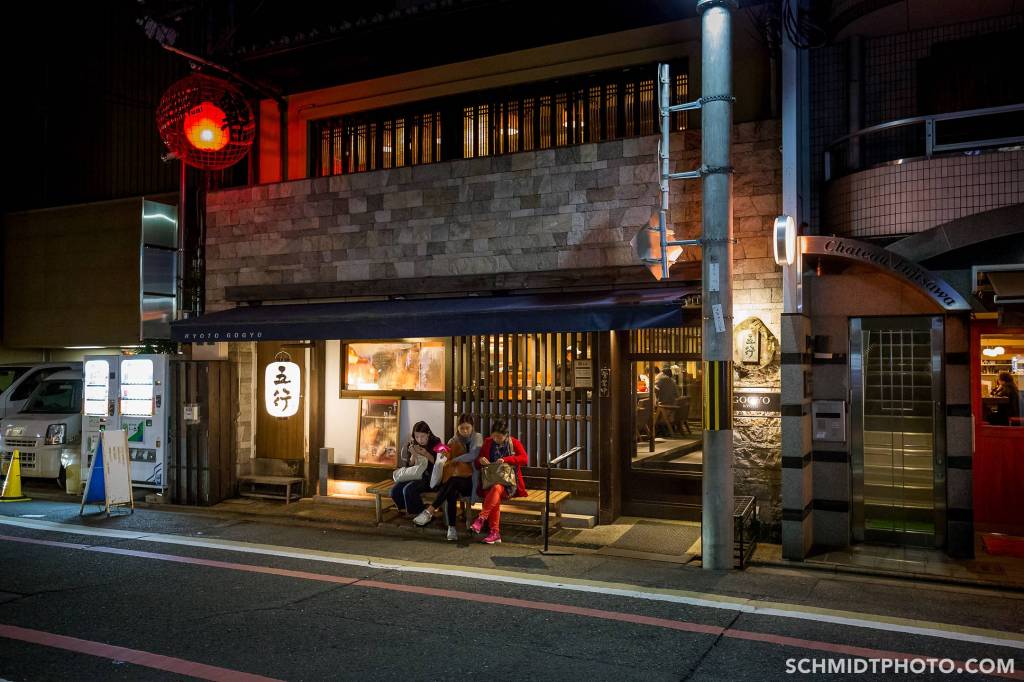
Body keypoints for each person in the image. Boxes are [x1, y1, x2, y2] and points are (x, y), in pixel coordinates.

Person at [413, 414, 483, 541]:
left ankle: (430, 511)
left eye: (468, 428)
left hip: (473, 482)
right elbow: (446, 459)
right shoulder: (453, 440)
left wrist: (456, 459)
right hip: (456, 479)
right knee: (452, 489)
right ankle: (451, 528)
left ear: (473, 427)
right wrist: (444, 455)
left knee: (452, 483)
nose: (465, 431)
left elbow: (473, 455)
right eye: (462, 428)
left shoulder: (477, 438)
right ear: (458, 428)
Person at [470, 419, 528, 544]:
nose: (496, 439)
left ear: (506, 435)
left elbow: (524, 459)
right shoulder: (488, 442)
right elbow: (476, 462)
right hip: (490, 480)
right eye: (494, 436)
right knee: (494, 492)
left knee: (496, 489)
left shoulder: (514, 443)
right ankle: (494, 533)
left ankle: (482, 519)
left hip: (509, 483)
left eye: (499, 437)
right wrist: (480, 460)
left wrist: (507, 459)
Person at [389, 421, 440, 518]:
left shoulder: (436, 442)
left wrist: (425, 453)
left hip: (429, 477)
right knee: (394, 491)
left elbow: (438, 463)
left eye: (422, 436)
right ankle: (406, 510)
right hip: (415, 474)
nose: (419, 439)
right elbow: (410, 465)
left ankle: (418, 513)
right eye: (417, 437)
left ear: (428, 434)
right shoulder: (413, 443)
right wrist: (413, 454)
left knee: (408, 489)